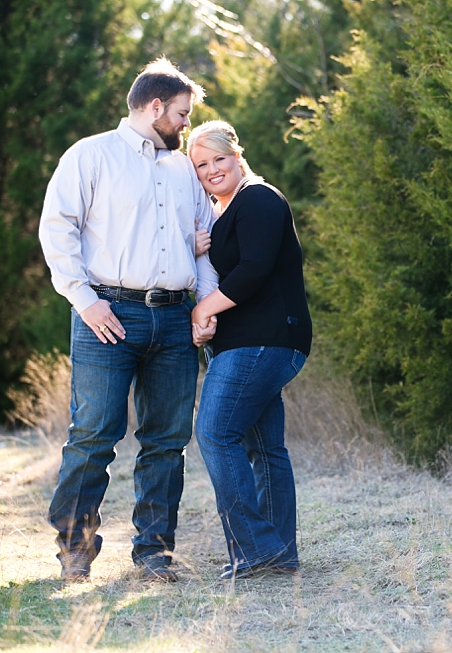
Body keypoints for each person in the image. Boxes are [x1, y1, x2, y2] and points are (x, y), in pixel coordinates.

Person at [38, 57, 219, 583]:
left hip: (175, 320)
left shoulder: (184, 170)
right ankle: (74, 549)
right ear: (155, 106)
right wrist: (84, 300)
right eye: (182, 115)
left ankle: (155, 555)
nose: (187, 125)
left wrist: (203, 308)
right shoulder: (92, 156)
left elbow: (202, 244)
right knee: (94, 432)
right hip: (106, 316)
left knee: (166, 440)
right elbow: (58, 229)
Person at [187, 120, 312, 579]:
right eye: (202, 165)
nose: (212, 169)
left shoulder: (258, 197)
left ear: (237, 156)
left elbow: (255, 269)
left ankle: (256, 549)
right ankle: (279, 551)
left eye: (219, 158)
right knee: (265, 447)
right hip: (258, 340)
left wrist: (203, 311)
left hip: (263, 341)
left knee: (216, 433)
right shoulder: (225, 213)